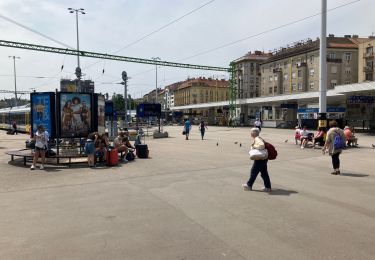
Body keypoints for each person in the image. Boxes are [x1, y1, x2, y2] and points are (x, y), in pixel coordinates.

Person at [242, 128, 272, 192]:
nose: (250, 133)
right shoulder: (259, 138)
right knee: (264, 173)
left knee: (254, 171)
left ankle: (249, 185)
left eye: (251, 132)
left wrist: (254, 146)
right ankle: (268, 187)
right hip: (263, 158)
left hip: (260, 158)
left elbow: (261, 146)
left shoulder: (257, 139)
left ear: (254, 133)